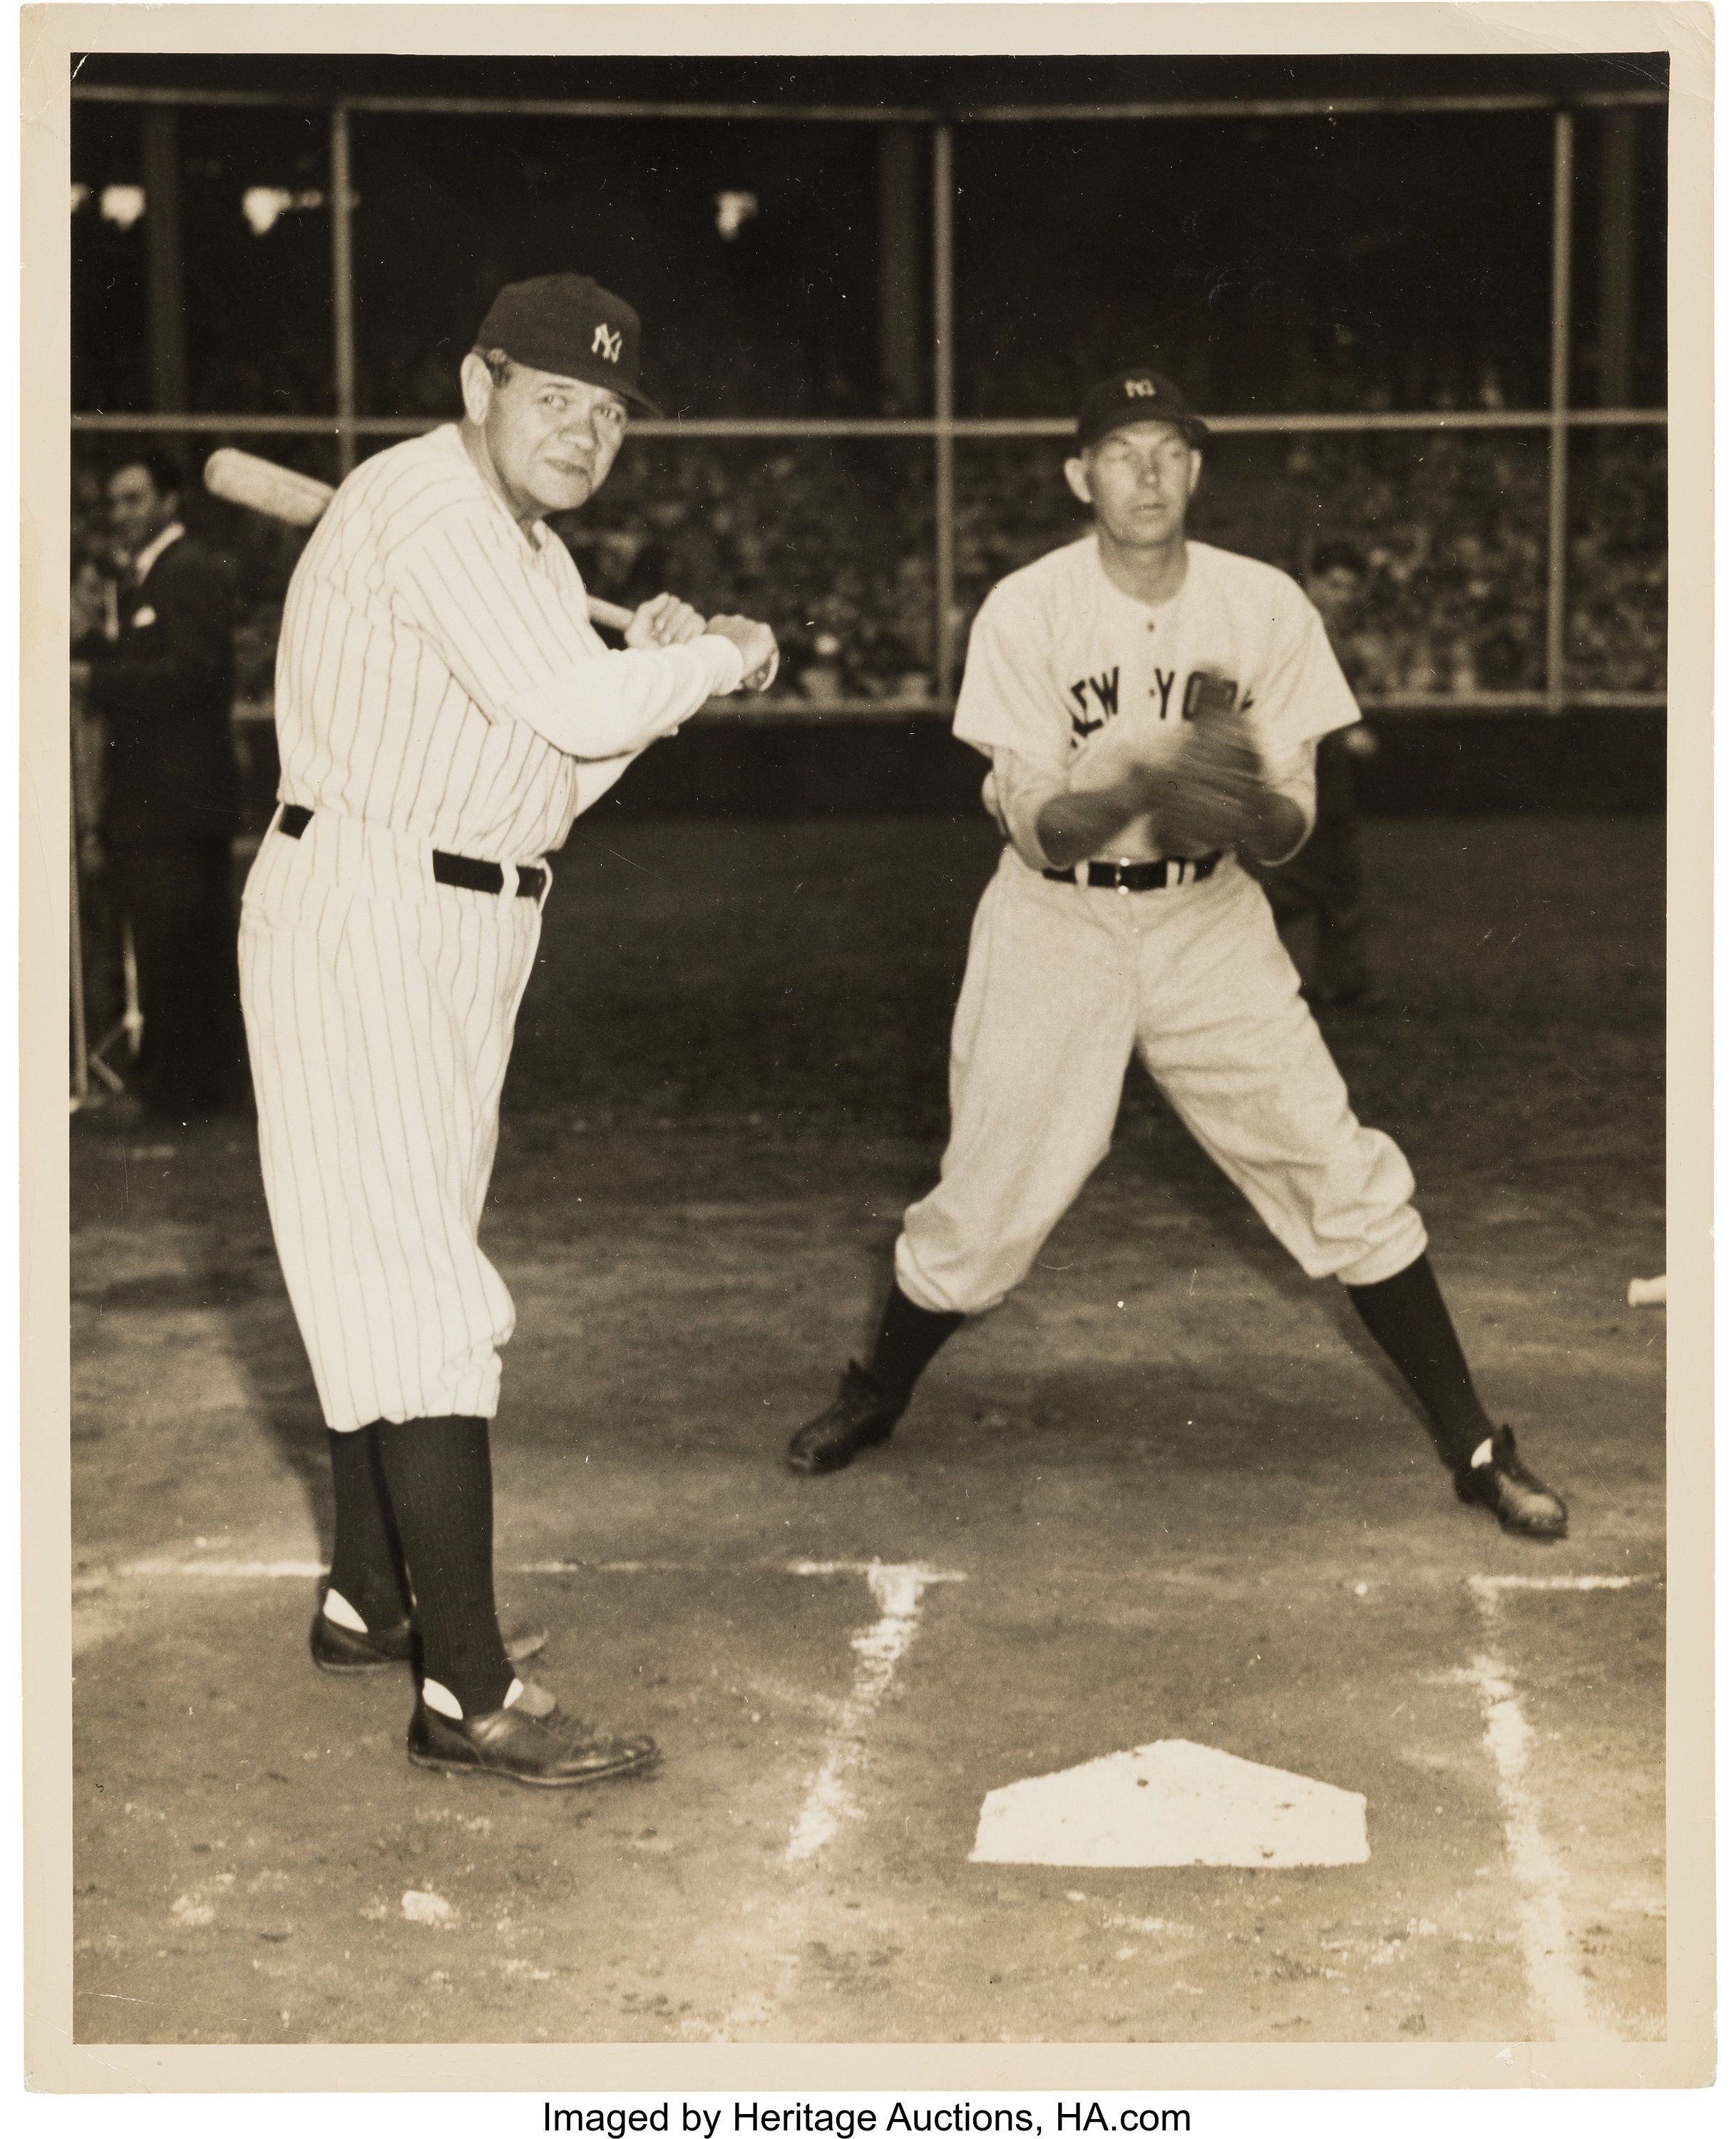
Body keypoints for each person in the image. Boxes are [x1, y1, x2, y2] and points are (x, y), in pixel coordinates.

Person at [784, 368, 1567, 1544]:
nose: (1146, 473)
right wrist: (1146, 787)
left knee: (1333, 1163)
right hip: (1060, 927)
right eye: (1120, 451)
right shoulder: (1028, 609)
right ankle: (879, 1391)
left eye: (1168, 451)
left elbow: (1295, 822)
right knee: (990, 1206)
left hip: (1209, 925)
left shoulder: (1264, 607)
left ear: (1197, 472)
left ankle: (1473, 1443)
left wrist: (1240, 809)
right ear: (1078, 476)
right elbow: (1041, 830)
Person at [238, 273, 778, 1787]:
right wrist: (714, 661)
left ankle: (369, 1596)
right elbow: (576, 702)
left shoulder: (529, 553)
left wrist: (654, 683)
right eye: (556, 396)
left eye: (608, 411)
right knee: (420, 1293)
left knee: (385, 1256)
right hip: (367, 906)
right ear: (477, 383)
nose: (586, 428)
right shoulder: (420, 504)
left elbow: (558, 770)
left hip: (468, 918)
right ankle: (462, 1694)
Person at [69, 454, 250, 1121]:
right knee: (179, 949)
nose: (123, 515)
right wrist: (98, 655)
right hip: (161, 802)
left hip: (177, 801)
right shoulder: (151, 576)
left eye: (135, 500)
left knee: (178, 950)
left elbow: (196, 674)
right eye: (115, 504)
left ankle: (178, 1092)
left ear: (170, 501)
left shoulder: (189, 570)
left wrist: (98, 681)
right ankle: (193, 1088)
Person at [1252, 540, 1378, 1006]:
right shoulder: (1297, 633)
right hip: (1304, 767)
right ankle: (1222, 953)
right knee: (1303, 884)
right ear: (1313, 583)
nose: (1343, 595)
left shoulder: (1332, 635)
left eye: (1351, 587)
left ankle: (1341, 980)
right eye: (1334, 585)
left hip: (1330, 772)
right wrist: (1345, 736)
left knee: (1335, 880)